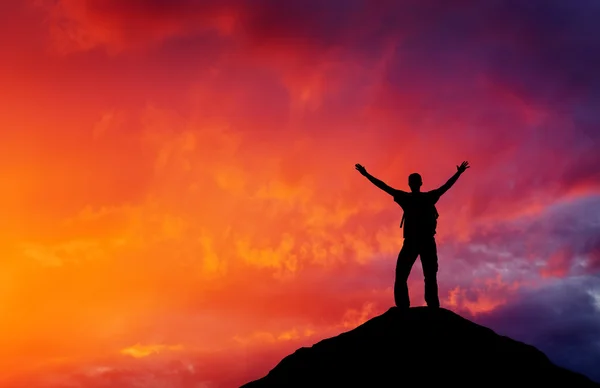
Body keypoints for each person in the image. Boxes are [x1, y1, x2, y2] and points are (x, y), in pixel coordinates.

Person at [355, 161, 470, 309]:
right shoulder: (426, 197)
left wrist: (366, 175)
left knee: (418, 275)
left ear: (412, 184)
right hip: (419, 242)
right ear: (418, 183)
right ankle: (425, 307)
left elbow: (384, 187)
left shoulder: (410, 198)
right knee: (420, 275)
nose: (413, 184)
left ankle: (420, 307)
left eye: (413, 182)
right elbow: (446, 187)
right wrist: (458, 173)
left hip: (418, 242)